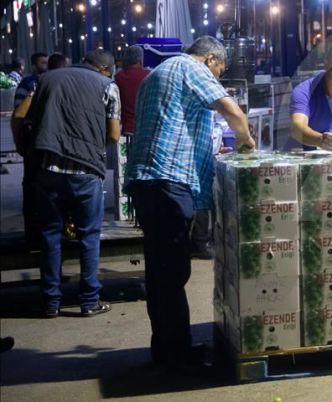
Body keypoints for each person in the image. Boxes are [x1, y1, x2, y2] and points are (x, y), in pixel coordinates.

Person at [125, 36, 254, 369]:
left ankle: (166, 350)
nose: (217, 78)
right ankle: (177, 357)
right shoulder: (191, 67)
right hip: (167, 180)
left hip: (148, 179)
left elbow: (174, 124)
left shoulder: (157, 73)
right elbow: (233, 112)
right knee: (172, 272)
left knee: (160, 273)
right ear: (210, 59)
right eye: (219, 71)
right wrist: (247, 144)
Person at [24, 49, 120, 318]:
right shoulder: (107, 85)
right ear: (104, 69)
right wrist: (91, 146)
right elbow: (114, 134)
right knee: (89, 236)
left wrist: (26, 149)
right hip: (86, 172)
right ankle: (89, 301)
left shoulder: (45, 79)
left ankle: (50, 302)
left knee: (50, 235)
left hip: (48, 169)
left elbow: (24, 117)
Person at [10, 53, 48, 245]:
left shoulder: (49, 82)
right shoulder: (27, 84)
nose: (45, 65)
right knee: (32, 183)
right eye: (42, 62)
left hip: (42, 140)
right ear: (34, 65)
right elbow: (19, 112)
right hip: (32, 140)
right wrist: (19, 142)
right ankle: (32, 233)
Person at [114, 45, 150, 136]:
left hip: (124, 127)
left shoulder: (118, 77)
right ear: (140, 60)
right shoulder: (149, 76)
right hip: (143, 127)